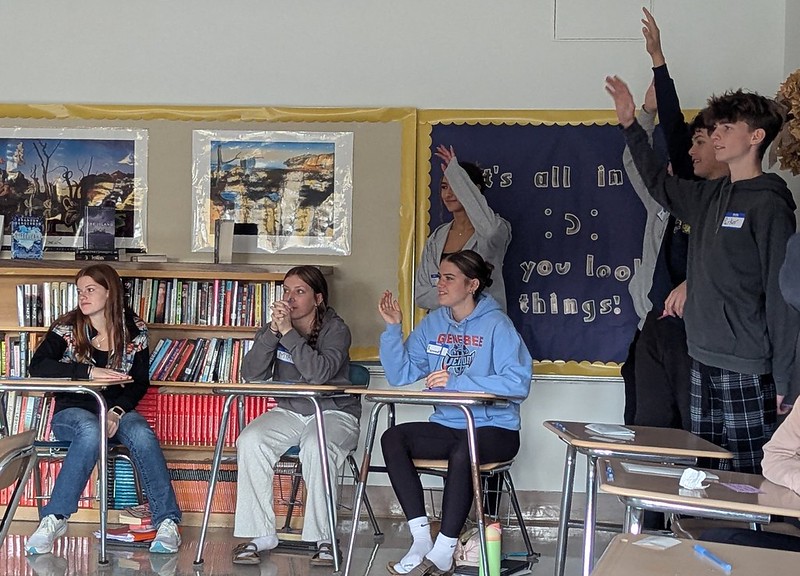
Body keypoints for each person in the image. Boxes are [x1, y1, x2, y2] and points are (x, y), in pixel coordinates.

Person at [606, 76, 798, 474]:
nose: (716, 136)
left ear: (756, 137)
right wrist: (630, 125)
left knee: (747, 477)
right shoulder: (709, 196)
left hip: (746, 364)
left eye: (728, 128)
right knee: (704, 473)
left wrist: (787, 378)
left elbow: (782, 295)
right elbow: (657, 183)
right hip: (700, 356)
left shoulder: (769, 204)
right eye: (715, 128)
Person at [379, 250, 532, 576]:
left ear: (472, 285)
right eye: (439, 277)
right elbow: (400, 374)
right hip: (449, 425)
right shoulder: (433, 323)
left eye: (449, 278)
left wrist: (458, 382)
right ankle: (422, 539)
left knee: (465, 450)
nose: (440, 284)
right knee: (393, 438)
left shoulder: (498, 324)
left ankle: (445, 549)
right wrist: (393, 329)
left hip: (496, 430)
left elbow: (517, 383)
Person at [26, 263, 181, 555]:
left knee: (142, 434)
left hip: (115, 410)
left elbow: (140, 382)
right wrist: (88, 372)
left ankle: (167, 522)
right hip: (73, 411)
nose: (83, 297)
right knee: (90, 430)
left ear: (110, 293)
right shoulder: (67, 327)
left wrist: (117, 411)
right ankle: (54, 518)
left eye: (90, 290)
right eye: (80, 291)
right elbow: (38, 366)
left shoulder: (134, 330)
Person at [625, 8, 730, 431]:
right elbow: (671, 127)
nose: (690, 151)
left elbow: (741, 267)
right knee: (648, 426)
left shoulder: (739, 199)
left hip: (700, 332)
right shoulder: (684, 187)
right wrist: (657, 59)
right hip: (658, 321)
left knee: (694, 429)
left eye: (702, 141)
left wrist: (695, 282)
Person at [232, 266, 359, 567]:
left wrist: (288, 333)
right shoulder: (274, 329)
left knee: (316, 446)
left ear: (318, 298)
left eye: (299, 292)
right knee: (250, 440)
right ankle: (261, 534)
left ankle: (324, 539)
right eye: (286, 291)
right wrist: (272, 334)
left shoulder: (336, 329)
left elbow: (319, 375)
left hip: (334, 412)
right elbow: (251, 374)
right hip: (290, 410)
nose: (290, 298)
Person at [415, 145, 511, 312]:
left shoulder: (496, 229)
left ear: (474, 190)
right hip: (442, 325)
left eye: (456, 186)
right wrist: (459, 294)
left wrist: (457, 176)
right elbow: (421, 294)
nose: (448, 194)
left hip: (482, 324)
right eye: (444, 187)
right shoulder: (437, 237)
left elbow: (489, 230)